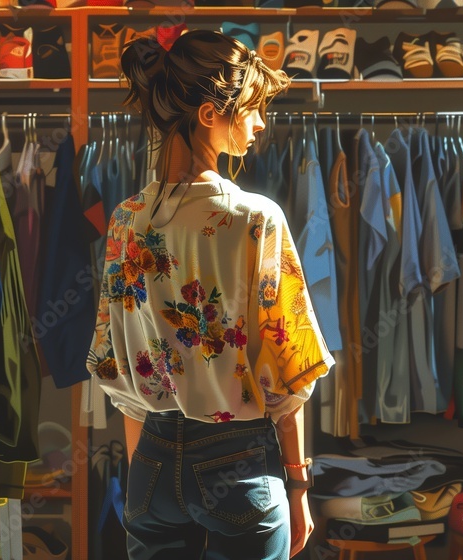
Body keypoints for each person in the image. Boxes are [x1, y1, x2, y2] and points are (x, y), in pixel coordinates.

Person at [86, 27, 335, 560]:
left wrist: (147, 480)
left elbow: (118, 367)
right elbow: (287, 368)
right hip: (237, 459)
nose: (260, 123)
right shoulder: (255, 218)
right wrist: (298, 489)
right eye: (251, 108)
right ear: (208, 113)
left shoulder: (127, 219)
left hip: (151, 456)